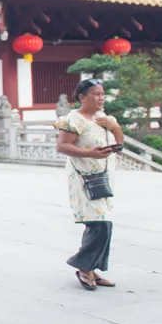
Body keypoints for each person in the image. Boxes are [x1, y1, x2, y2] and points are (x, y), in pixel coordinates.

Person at [55, 78, 124, 291]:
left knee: (102, 222)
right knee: (99, 223)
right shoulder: (74, 119)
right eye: (95, 94)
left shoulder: (104, 118)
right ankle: (84, 267)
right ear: (82, 97)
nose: (101, 98)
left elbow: (120, 143)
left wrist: (114, 126)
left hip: (103, 176)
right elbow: (62, 146)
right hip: (84, 178)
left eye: (103, 93)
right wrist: (89, 153)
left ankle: (91, 267)